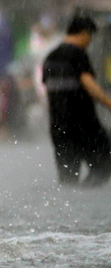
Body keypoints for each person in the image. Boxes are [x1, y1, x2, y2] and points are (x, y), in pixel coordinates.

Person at [42, 16, 111, 185]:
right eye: (90, 36)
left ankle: (69, 208)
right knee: (104, 165)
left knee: (68, 178)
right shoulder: (78, 54)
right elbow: (91, 87)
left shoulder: (50, 57)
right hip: (84, 124)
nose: (90, 41)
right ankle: (89, 202)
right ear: (85, 33)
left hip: (59, 127)